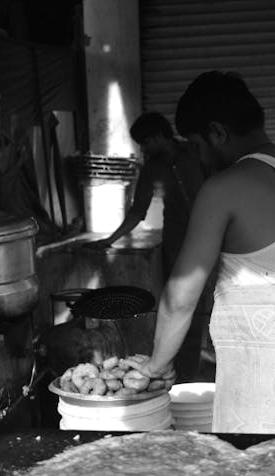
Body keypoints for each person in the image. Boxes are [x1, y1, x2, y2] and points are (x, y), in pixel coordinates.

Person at [123, 70, 275, 435]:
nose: (200, 160)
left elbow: (180, 296)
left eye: (196, 147)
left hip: (258, 383)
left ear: (218, 133)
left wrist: (158, 365)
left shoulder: (225, 186)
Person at [87, 111, 210, 381]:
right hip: (178, 246)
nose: (143, 149)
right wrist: (110, 240)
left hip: (213, 239)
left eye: (145, 142)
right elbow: (137, 212)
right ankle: (183, 374)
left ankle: (211, 366)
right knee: (181, 306)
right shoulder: (152, 168)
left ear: (158, 136)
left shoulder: (196, 152)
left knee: (212, 308)